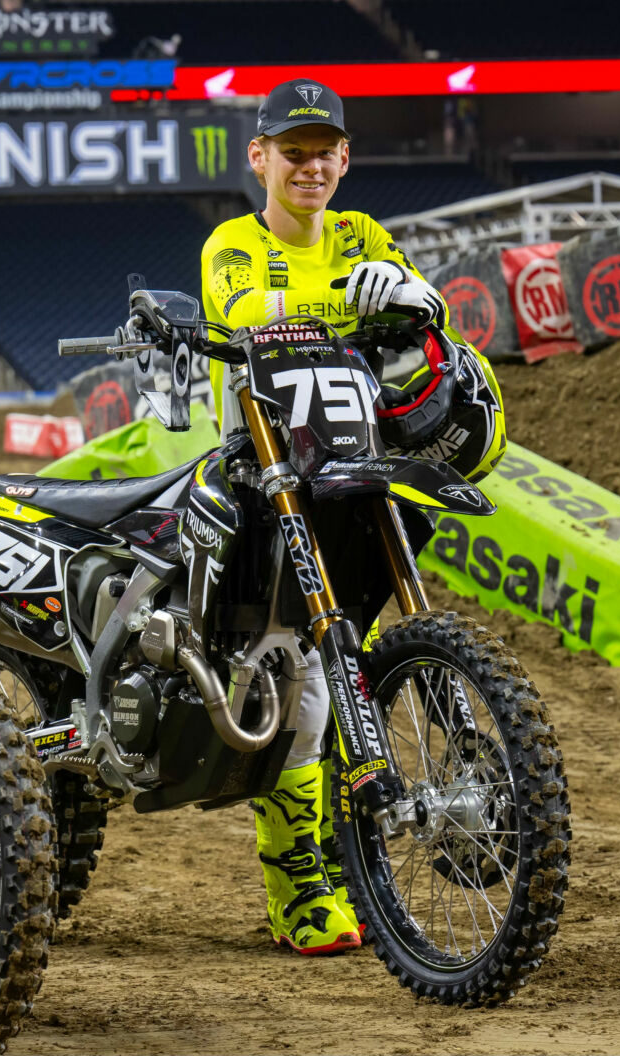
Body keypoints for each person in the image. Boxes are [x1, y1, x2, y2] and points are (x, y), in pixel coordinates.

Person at [197, 79, 506, 957]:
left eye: (327, 149)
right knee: (301, 674)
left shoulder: (364, 232)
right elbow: (239, 312)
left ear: (346, 156)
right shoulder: (235, 241)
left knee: (343, 665)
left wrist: (412, 294)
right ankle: (297, 885)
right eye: (294, 151)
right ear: (259, 158)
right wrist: (348, 299)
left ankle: (348, 848)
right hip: (263, 469)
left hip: (356, 465)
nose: (313, 165)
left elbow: (422, 305)